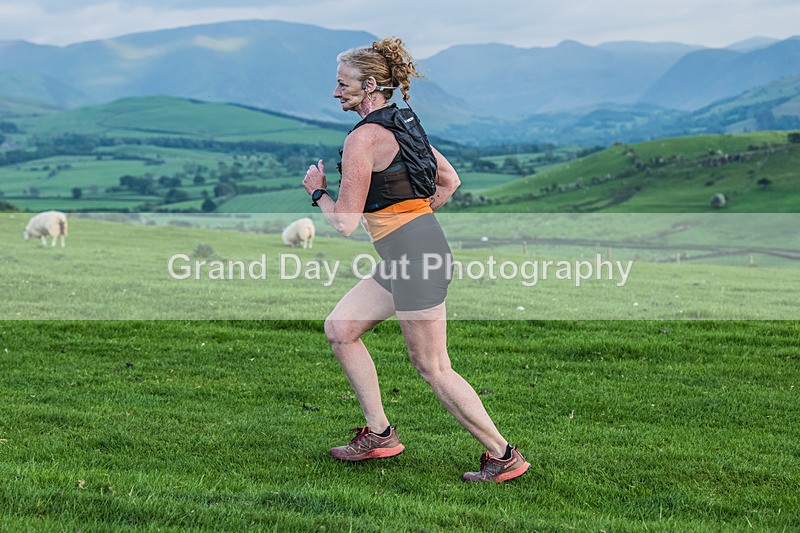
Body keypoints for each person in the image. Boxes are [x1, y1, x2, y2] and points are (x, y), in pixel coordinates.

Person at [301, 37, 529, 483]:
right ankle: (379, 434)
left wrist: (318, 192)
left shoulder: (363, 138)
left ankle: (503, 456)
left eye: (343, 84)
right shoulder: (405, 125)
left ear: (370, 86)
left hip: (415, 258)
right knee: (341, 329)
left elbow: (344, 222)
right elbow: (450, 181)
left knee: (433, 366)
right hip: (411, 252)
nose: (335, 92)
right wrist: (412, 222)